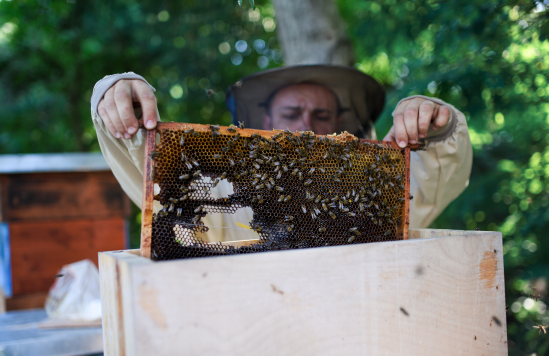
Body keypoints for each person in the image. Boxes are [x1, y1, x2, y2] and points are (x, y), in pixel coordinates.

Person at [90, 65, 472, 242]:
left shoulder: (376, 193)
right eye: (292, 114)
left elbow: (433, 173)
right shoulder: (220, 193)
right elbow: (153, 175)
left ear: (341, 121)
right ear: (267, 119)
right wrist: (118, 94)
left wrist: (437, 122)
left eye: (321, 115)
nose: (307, 124)